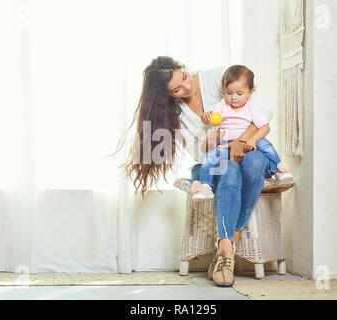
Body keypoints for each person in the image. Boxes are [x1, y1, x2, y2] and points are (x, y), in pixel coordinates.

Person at [121, 56, 292, 287]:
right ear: (168, 95)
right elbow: (197, 152)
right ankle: (225, 247)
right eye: (176, 89)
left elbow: (263, 110)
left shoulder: (218, 78)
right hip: (219, 158)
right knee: (229, 169)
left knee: (255, 162)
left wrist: (240, 141)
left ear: (182, 67)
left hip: (248, 147)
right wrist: (210, 143)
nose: (186, 87)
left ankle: (232, 237)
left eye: (183, 76)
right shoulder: (176, 113)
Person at [191, 65, 291, 201]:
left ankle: (278, 169)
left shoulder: (251, 107)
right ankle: (205, 186)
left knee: (266, 146)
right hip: (226, 144)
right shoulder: (222, 106)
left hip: (247, 141)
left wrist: (253, 139)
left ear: (250, 92)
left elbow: (265, 127)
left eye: (239, 93)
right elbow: (210, 119)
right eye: (229, 93)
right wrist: (205, 116)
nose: (233, 98)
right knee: (209, 156)